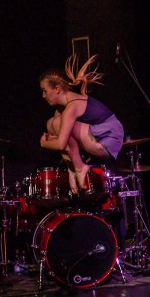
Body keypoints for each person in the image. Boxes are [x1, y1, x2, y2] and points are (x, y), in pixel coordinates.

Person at [39, 54, 124, 193]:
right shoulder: (62, 109)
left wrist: (44, 143)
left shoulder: (72, 107)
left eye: (45, 91)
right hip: (97, 134)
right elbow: (62, 141)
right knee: (51, 124)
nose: (43, 96)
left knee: (58, 124)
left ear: (57, 89)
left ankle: (80, 167)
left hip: (109, 137)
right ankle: (73, 169)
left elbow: (61, 144)